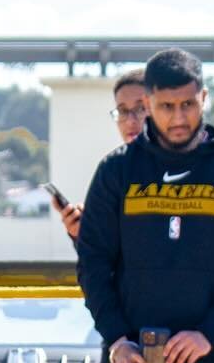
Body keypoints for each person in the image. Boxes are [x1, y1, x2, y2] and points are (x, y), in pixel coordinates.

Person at [76, 47, 214, 363]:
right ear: (149, 103)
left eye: (189, 104)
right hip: (129, 362)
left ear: (205, 98)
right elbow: (93, 262)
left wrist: (210, 333)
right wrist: (117, 339)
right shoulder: (116, 171)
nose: (179, 117)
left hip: (208, 359)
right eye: (167, 106)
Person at [55, 70, 148, 242]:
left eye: (141, 108)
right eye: (122, 111)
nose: (130, 120)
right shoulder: (110, 169)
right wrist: (80, 233)